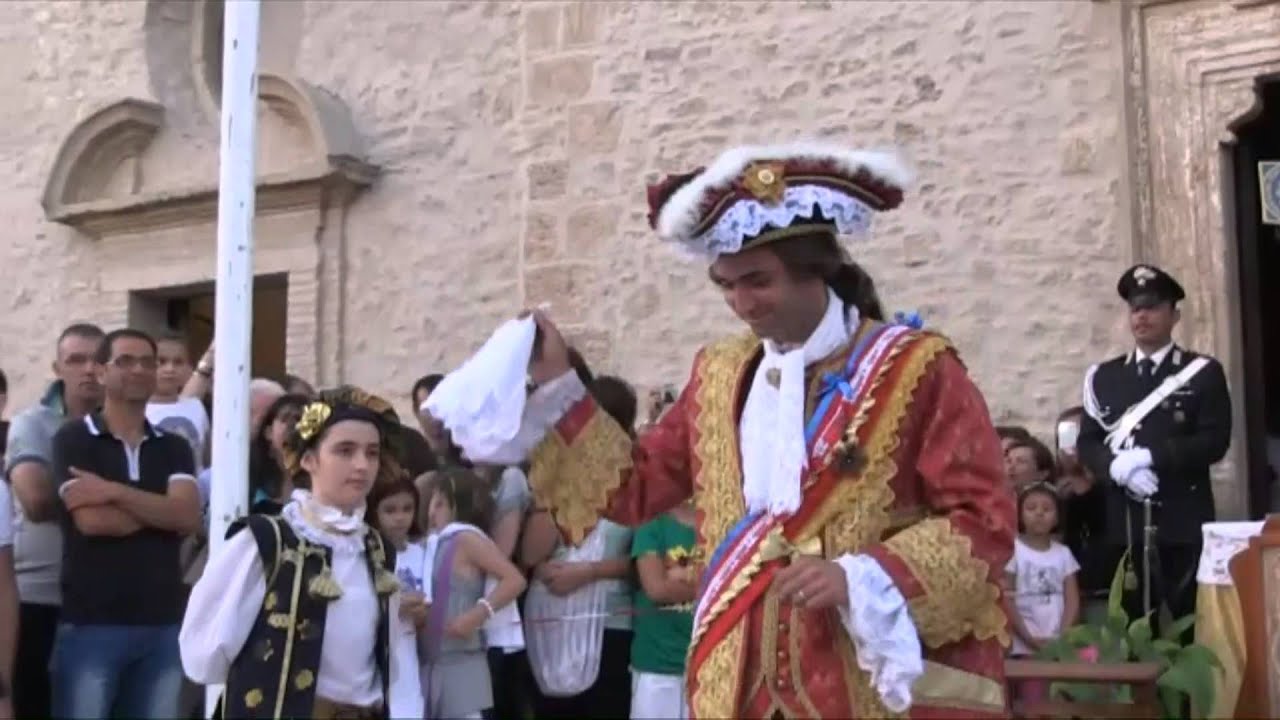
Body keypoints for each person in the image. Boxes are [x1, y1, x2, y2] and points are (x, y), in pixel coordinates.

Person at [460, 143, 1015, 718]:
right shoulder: (721, 373)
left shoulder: (917, 367)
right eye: (725, 285)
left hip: (861, 677)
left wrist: (861, 577)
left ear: (816, 271)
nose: (741, 304)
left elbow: (984, 519)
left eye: (757, 282)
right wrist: (558, 385)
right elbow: (638, 486)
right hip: (736, 673)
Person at [179, 386, 409, 719]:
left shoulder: (375, 549)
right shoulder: (265, 540)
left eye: (372, 453)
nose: (362, 465)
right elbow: (205, 654)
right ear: (309, 459)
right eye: (345, 451)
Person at [1079, 264, 1232, 632]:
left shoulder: (1202, 372)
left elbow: (1214, 441)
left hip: (1181, 523)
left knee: (1188, 630)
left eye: (1152, 307)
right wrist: (1113, 466)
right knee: (1130, 631)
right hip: (1125, 526)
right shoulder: (1105, 377)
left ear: (1174, 315)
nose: (1142, 316)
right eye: (1135, 308)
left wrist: (1152, 457)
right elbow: (1088, 441)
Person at [1003, 484, 1080, 703]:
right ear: (1019, 514)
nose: (1039, 513)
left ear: (1057, 518)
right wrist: (1027, 637)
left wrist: (1063, 636)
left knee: (1054, 701)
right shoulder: (1012, 550)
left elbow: (1072, 598)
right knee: (1031, 702)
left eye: (1047, 509)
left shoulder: (1063, 554)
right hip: (1023, 645)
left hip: (1057, 643)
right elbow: (1006, 597)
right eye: (1031, 508)